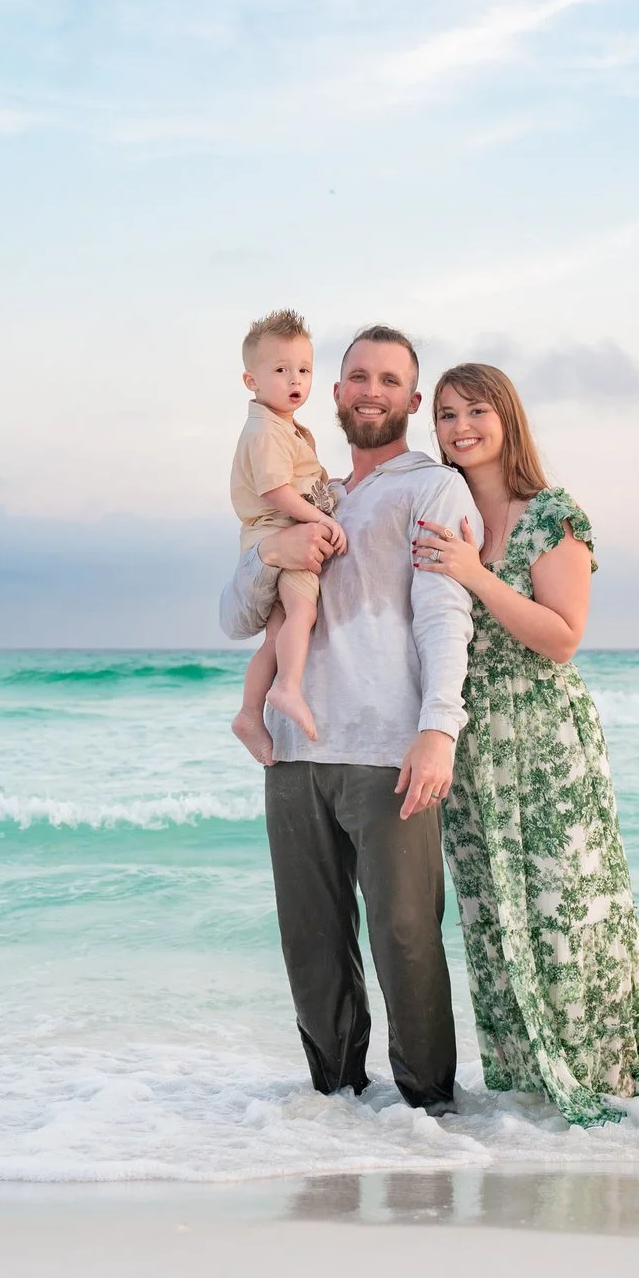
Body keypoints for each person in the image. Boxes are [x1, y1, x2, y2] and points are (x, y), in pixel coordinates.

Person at [219, 325, 483, 1115]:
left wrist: (439, 726)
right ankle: (334, 1114)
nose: (372, 390)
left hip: (386, 750)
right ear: (335, 394)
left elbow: (445, 617)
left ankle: (429, 1114)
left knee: (406, 939)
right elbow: (234, 617)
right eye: (357, 376)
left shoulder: (432, 489)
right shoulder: (304, 491)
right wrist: (277, 551)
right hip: (295, 753)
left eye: (390, 379)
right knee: (312, 947)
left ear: (412, 397)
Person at [415, 362, 639, 1125]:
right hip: (474, 737)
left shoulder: (553, 513)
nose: (461, 427)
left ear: (507, 418)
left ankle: (601, 1078)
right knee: (494, 912)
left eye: (477, 411)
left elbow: (562, 638)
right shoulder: (443, 510)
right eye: (448, 414)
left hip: (548, 737)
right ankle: (525, 1095)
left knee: (569, 906)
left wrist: (474, 574)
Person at [228, 309, 344, 761]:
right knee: (302, 613)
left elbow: (303, 480)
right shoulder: (264, 431)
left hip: (278, 533)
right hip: (282, 535)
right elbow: (276, 490)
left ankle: (249, 714)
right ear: (250, 380)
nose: (294, 378)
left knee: (276, 635)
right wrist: (324, 522)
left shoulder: (287, 428)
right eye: (280, 370)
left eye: (303, 369)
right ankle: (289, 688)